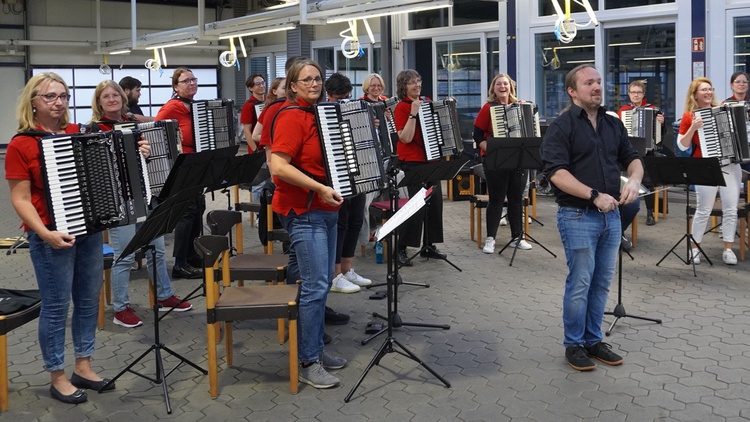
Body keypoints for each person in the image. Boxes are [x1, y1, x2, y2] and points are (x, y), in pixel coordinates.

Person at [5, 72, 117, 404]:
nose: (59, 102)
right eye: (50, 96)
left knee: (87, 301)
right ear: (33, 102)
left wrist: (137, 151)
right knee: (56, 307)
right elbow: (20, 199)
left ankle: (83, 365)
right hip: (51, 236)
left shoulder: (78, 134)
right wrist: (45, 233)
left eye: (64, 96)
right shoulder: (21, 143)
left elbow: (107, 169)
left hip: (89, 231)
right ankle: (57, 374)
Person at [541, 64, 643, 371]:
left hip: (611, 218)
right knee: (581, 283)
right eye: (589, 83)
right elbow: (556, 174)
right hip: (577, 215)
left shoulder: (613, 124)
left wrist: (635, 180)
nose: (597, 87)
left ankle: (593, 340)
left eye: (599, 82)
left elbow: (633, 159)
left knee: (601, 283)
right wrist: (594, 195)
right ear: (573, 91)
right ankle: (574, 344)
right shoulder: (561, 126)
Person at [88, 80, 192, 328]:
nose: (112, 99)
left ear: (122, 99)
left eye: (115, 95)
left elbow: (145, 163)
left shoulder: (133, 126)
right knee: (124, 255)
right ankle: (120, 308)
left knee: (156, 249)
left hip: (143, 195)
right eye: (106, 96)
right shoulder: (94, 129)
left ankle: (164, 296)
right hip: (118, 201)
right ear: (99, 101)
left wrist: (144, 154)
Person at [269, 59, 347, 389]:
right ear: (294, 85)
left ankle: (314, 348)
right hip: (303, 211)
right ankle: (308, 361)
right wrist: (319, 187)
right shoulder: (290, 116)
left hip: (325, 209)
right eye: (307, 80)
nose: (314, 84)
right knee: (314, 287)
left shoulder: (322, 113)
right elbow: (278, 167)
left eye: (317, 79)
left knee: (322, 283)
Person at [676, 77, 740, 266]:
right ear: (695, 94)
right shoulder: (689, 116)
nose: (708, 92)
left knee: (731, 209)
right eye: (704, 90)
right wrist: (693, 128)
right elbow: (682, 145)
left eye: (710, 89)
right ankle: (694, 248)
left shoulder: (724, 110)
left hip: (730, 164)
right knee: (703, 209)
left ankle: (728, 248)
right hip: (705, 165)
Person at [473, 73, 533, 254]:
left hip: (518, 160)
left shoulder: (522, 106)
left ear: (510, 87)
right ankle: (490, 239)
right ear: (493, 88)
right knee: (497, 199)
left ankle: (517, 237)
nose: (502, 87)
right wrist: (490, 151)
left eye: (505, 84)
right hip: (496, 160)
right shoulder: (488, 108)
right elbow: (477, 136)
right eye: (498, 84)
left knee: (516, 200)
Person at [324, 72, 373, 294]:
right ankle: (335, 275)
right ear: (329, 95)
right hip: (337, 176)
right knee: (341, 222)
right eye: (338, 98)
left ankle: (347, 269)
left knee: (356, 220)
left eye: (346, 96)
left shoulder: (356, 108)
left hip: (358, 170)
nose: (342, 101)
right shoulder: (324, 113)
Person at [155, 67, 205, 279]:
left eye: (193, 79)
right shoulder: (172, 107)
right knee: (186, 213)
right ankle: (180, 263)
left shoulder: (194, 107)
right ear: (176, 86)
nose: (191, 83)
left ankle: (192, 254)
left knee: (198, 208)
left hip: (198, 164)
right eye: (186, 81)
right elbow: (156, 128)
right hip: (182, 166)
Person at [393, 69, 447, 267]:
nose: (417, 85)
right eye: (411, 83)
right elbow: (405, 138)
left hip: (431, 160)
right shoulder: (402, 107)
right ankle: (401, 248)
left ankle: (429, 246)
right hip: (412, 162)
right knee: (414, 207)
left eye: (418, 81)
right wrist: (413, 113)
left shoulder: (427, 101)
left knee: (435, 206)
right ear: (403, 87)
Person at [617, 80, 667, 226]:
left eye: (639, 92)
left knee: (647, 181)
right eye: (633, 92)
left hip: (646, 152)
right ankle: (624, 208)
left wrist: (661, 123)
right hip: (628, 151)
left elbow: (659, 137)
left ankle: (650, 213)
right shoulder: (623, 111)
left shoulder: (652, 109)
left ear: (643, 94)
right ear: (629, 94)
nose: (636, 95)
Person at [240, 73, 266, 153]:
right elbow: (247, 131)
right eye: (258, 84)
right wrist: (255, 150)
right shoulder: (248, 106)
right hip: (257, 147)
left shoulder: (269, 101)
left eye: (262, 83)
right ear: (250, 88)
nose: (261, 86)